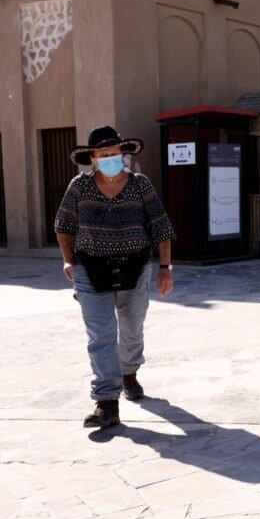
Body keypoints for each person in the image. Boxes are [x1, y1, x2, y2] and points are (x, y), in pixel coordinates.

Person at [55, 126, 176, 429]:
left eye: (114, 154)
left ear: (124, 154)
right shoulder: (79, 187)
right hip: (90, 268)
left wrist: (165, 267)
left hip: (135, 268)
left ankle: (129, 372)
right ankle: (106, 402)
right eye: (103, 155)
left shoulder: (140, 185)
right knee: (101, 335)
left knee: (132, 326)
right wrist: (68, 260)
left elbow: (160, 226)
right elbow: (64, 225)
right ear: (93, 159)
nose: (110, 159)